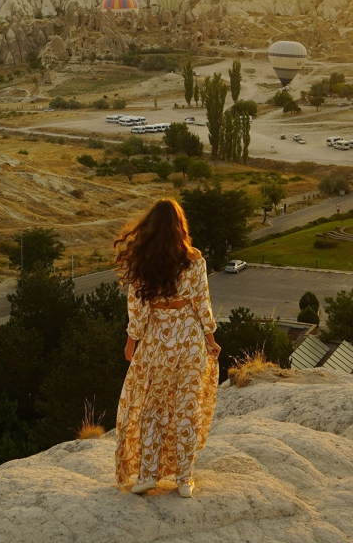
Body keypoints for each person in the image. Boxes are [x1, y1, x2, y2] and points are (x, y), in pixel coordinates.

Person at [114, 198, 220, 498]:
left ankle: (147, 475)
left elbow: (138, 308)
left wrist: (131, 341)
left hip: (158, 342)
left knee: (153, 409)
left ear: (150, 228)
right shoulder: (195, 259)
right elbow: (202, 303)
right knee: (188, 408)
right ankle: (184, 480)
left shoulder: (143, 261)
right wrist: (210, 339)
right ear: (179, 227)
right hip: (189, 340)